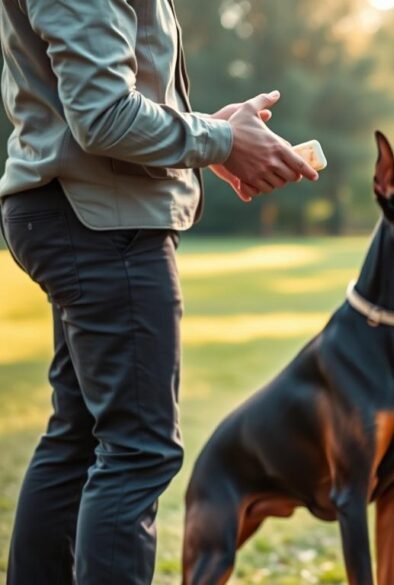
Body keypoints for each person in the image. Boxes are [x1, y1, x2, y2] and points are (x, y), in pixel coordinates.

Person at [0, 1, 320, 583]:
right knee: (138, 449)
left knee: (78, 435)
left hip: (84, 213)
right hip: (101, 222)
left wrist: (213, 132)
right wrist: (221, 140)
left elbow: (106, 95)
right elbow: (101, 116)